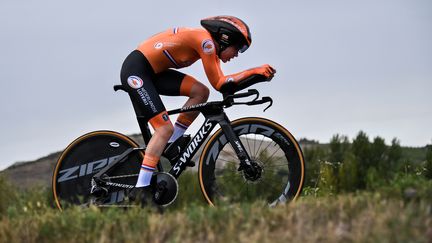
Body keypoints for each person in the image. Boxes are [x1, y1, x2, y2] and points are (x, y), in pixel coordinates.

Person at [120, 15, 276, 205]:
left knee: (200, 92)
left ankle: (171, 142)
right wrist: (255, 72)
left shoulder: (209, 44)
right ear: (225, 39)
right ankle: (140, 188)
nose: (237, 54)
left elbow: (225, 86)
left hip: (154, 72)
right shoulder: (206, 43)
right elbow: (221, 83)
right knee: (163, 128)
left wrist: (258, 77)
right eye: (239, 48)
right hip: (137, 71)